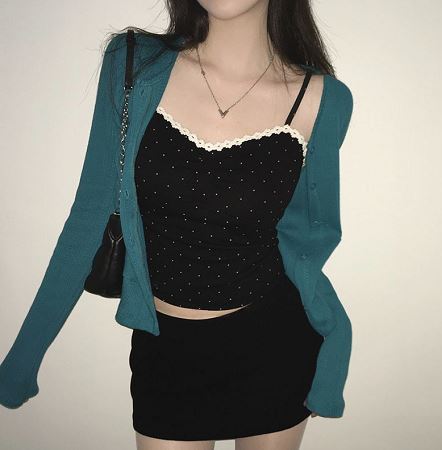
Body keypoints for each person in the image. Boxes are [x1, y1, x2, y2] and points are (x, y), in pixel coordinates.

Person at [0, 1, 354, 449]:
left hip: (274, 349)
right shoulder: (133, 63)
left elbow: (308, 243)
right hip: (165, 353)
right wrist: (23, 358)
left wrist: (334, 347)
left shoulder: (323, 99)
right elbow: (89, 215)